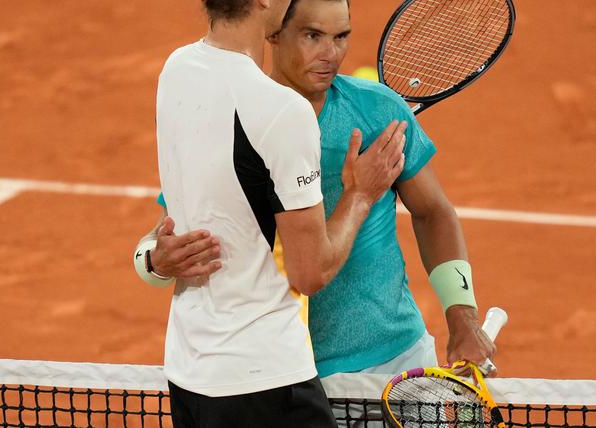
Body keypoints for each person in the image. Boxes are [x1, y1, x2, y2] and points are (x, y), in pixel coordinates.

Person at [141, 0, 407, 426]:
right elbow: (310, 272)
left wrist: (150, 260)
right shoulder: (282, 110)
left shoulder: (177, 70)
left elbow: (180, 219)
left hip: (189, 377)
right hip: (265, 383)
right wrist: (361, 194)